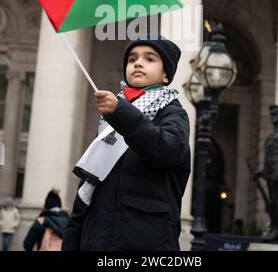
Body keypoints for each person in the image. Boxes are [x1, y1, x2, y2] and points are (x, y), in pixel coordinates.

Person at [62, 34, 190, 251]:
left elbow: (169, 150)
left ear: (166, 75)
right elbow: (87, 190)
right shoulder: (110, 120)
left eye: (150, 59)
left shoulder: (173, 112)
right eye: (132, 59)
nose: (138, 63)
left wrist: (122, 113)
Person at [255, 105, 278, 242]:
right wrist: (261, 173)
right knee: (272, 203)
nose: (272, 116)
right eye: (271, 114)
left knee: (277, 201)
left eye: (275, 113)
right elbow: (270, 157)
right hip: (270, 174)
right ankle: (273, 228)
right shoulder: (272, 135)